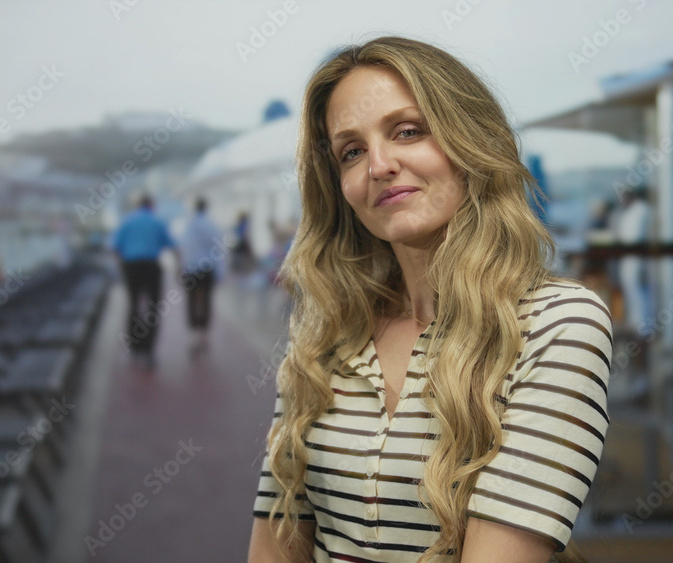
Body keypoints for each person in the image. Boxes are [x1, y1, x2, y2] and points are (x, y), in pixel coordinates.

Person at [248, 37, 612, 563]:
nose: (378, 164)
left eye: (408, 131)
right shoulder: (323, 338)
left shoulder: (555, 323)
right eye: (351, 151)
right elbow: (275, 547)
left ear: (471, 139)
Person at [111, 194, 179, 369]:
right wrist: (179, 267)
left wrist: (122, 267)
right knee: (153, 307)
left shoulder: (127, 221)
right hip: (150, 266)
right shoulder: (157, 222)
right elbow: (172, 245)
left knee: (133, 304)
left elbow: (114, 247)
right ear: (151, 206)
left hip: (131, 266)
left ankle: (134, 345)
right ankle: (149, 349)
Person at [179, 197, 225, 348]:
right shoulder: (212, 225)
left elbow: (184, 248)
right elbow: (218, 250)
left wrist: (181, 267)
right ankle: (203, 332)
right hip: (207, 268)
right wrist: (220, 272)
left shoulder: (188, 226)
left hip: (191, 268)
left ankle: (193, 331)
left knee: (191, 300)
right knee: (206, 299)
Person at [614, 187, 650, 333]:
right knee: (632, 289)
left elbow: (634, 236)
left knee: (638, 290)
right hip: (630, 257)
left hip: (636, 256)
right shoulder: (635, 211)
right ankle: (637, 322)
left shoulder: (641, 211)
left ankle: (642, 324)